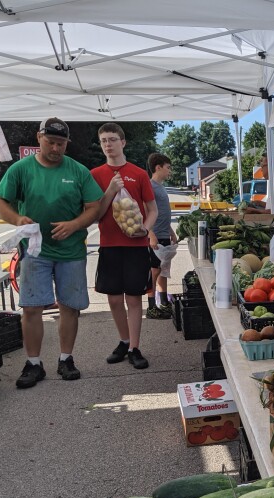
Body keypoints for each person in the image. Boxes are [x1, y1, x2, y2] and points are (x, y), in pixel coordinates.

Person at [0, 117, 103, 389]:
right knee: (31, 307)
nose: (56, 148)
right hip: (35, 251)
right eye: (51, 142)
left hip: (71, 251)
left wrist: (75, 224)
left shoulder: (78, 171)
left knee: (70, 306)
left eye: (61, 143)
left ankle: (66, 359)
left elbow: (95, 206)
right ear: (39, 138)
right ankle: (33, 363)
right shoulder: (21, 169)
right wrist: (17, 219)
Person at [91, 123, 158, 370]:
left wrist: (146, 228)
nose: (108, 145)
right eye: (103, 141)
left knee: (133, 298)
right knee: (114, 300)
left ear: (123, 142)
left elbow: (152, 209)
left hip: (135, 245)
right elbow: (95, 213)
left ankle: (135, 348)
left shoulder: (138, 173)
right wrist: (110, 191)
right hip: (109, 245)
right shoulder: (95, 174)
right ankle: (123, 340)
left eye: (112, 140)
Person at [145, 153, 177, 320]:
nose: (169, 171)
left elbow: (163, 213)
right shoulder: (150, 186)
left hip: (164, 234)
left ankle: (164, 301)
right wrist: (150, 234)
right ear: (158, 167)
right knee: (155, 270)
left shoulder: (161, 186)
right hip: (155, 236)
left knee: (164, 270)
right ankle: (151, 307)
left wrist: (171, 231)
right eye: (168, 167)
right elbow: (145, 212)